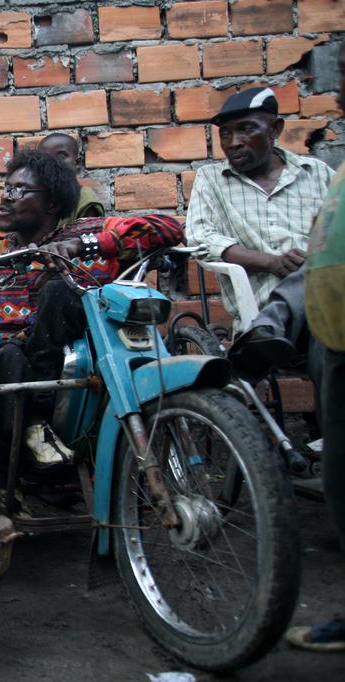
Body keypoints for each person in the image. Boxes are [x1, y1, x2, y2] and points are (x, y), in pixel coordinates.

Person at [0, 151, 182, 486]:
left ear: (52, 204)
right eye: (5, 190)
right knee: (8, 356)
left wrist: (87, 246)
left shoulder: (86, 233)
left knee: (61, 292)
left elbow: (169, 229)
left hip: (78, 375)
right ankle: (30, 450)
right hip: (4, 368)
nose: (6, 200)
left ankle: (42, 430)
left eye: (19, 191)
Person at [285, 42, 345, 654]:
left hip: (327, 329)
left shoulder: (318, 173)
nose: (337, 85)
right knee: (341, 477)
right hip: (332, 334)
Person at [186, 86, 333, 335]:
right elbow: (200, 239)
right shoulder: (212, 179)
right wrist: (271, 262)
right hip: (261, 309)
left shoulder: (315, 172)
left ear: (275, 129)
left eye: (246, 129)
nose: (233, 143)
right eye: (225, 134)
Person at [37, 133, 105, 225]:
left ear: (77, 163)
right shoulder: (38, 195)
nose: (52, 163)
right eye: (45, 158)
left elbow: (85, 236)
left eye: (61, 157)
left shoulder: (84, 199)